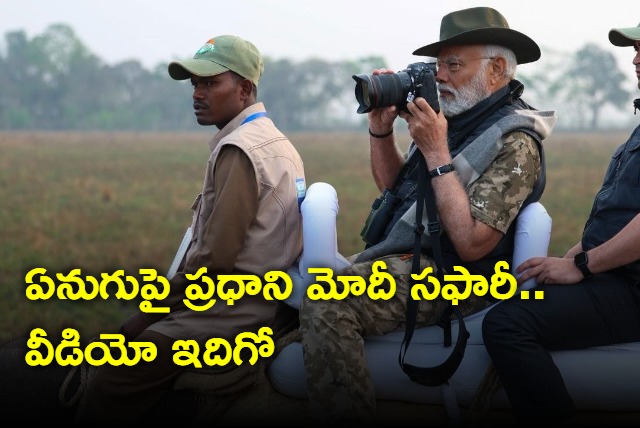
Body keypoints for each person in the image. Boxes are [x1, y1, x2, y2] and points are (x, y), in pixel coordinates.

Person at [298, 6, 557, 423]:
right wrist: (381, 129)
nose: (440, 75)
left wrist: (437, 151)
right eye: (439, 65)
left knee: (326, 302)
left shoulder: (516, 141)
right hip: (410, 259)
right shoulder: (452, 119)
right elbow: (397, 190)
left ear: (495, 70)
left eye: (453, 65)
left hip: (456, 278)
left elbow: (473, 245)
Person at [77, 34, 306, 424]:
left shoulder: (240, 149)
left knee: (111, 380)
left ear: (244, 88)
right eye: (194, 84)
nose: (197, 94)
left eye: (210, 83)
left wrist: (146, 316)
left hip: (232, 311)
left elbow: (213, 261)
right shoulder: (274, 140)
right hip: (267, 301)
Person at [482, 22, 640, 425]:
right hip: (617, 276)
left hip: (634, 289)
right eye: (635, 49)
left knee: (507, 325)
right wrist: (569, 258)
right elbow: (614, 216)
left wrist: (583, 266)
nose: (636, 59)